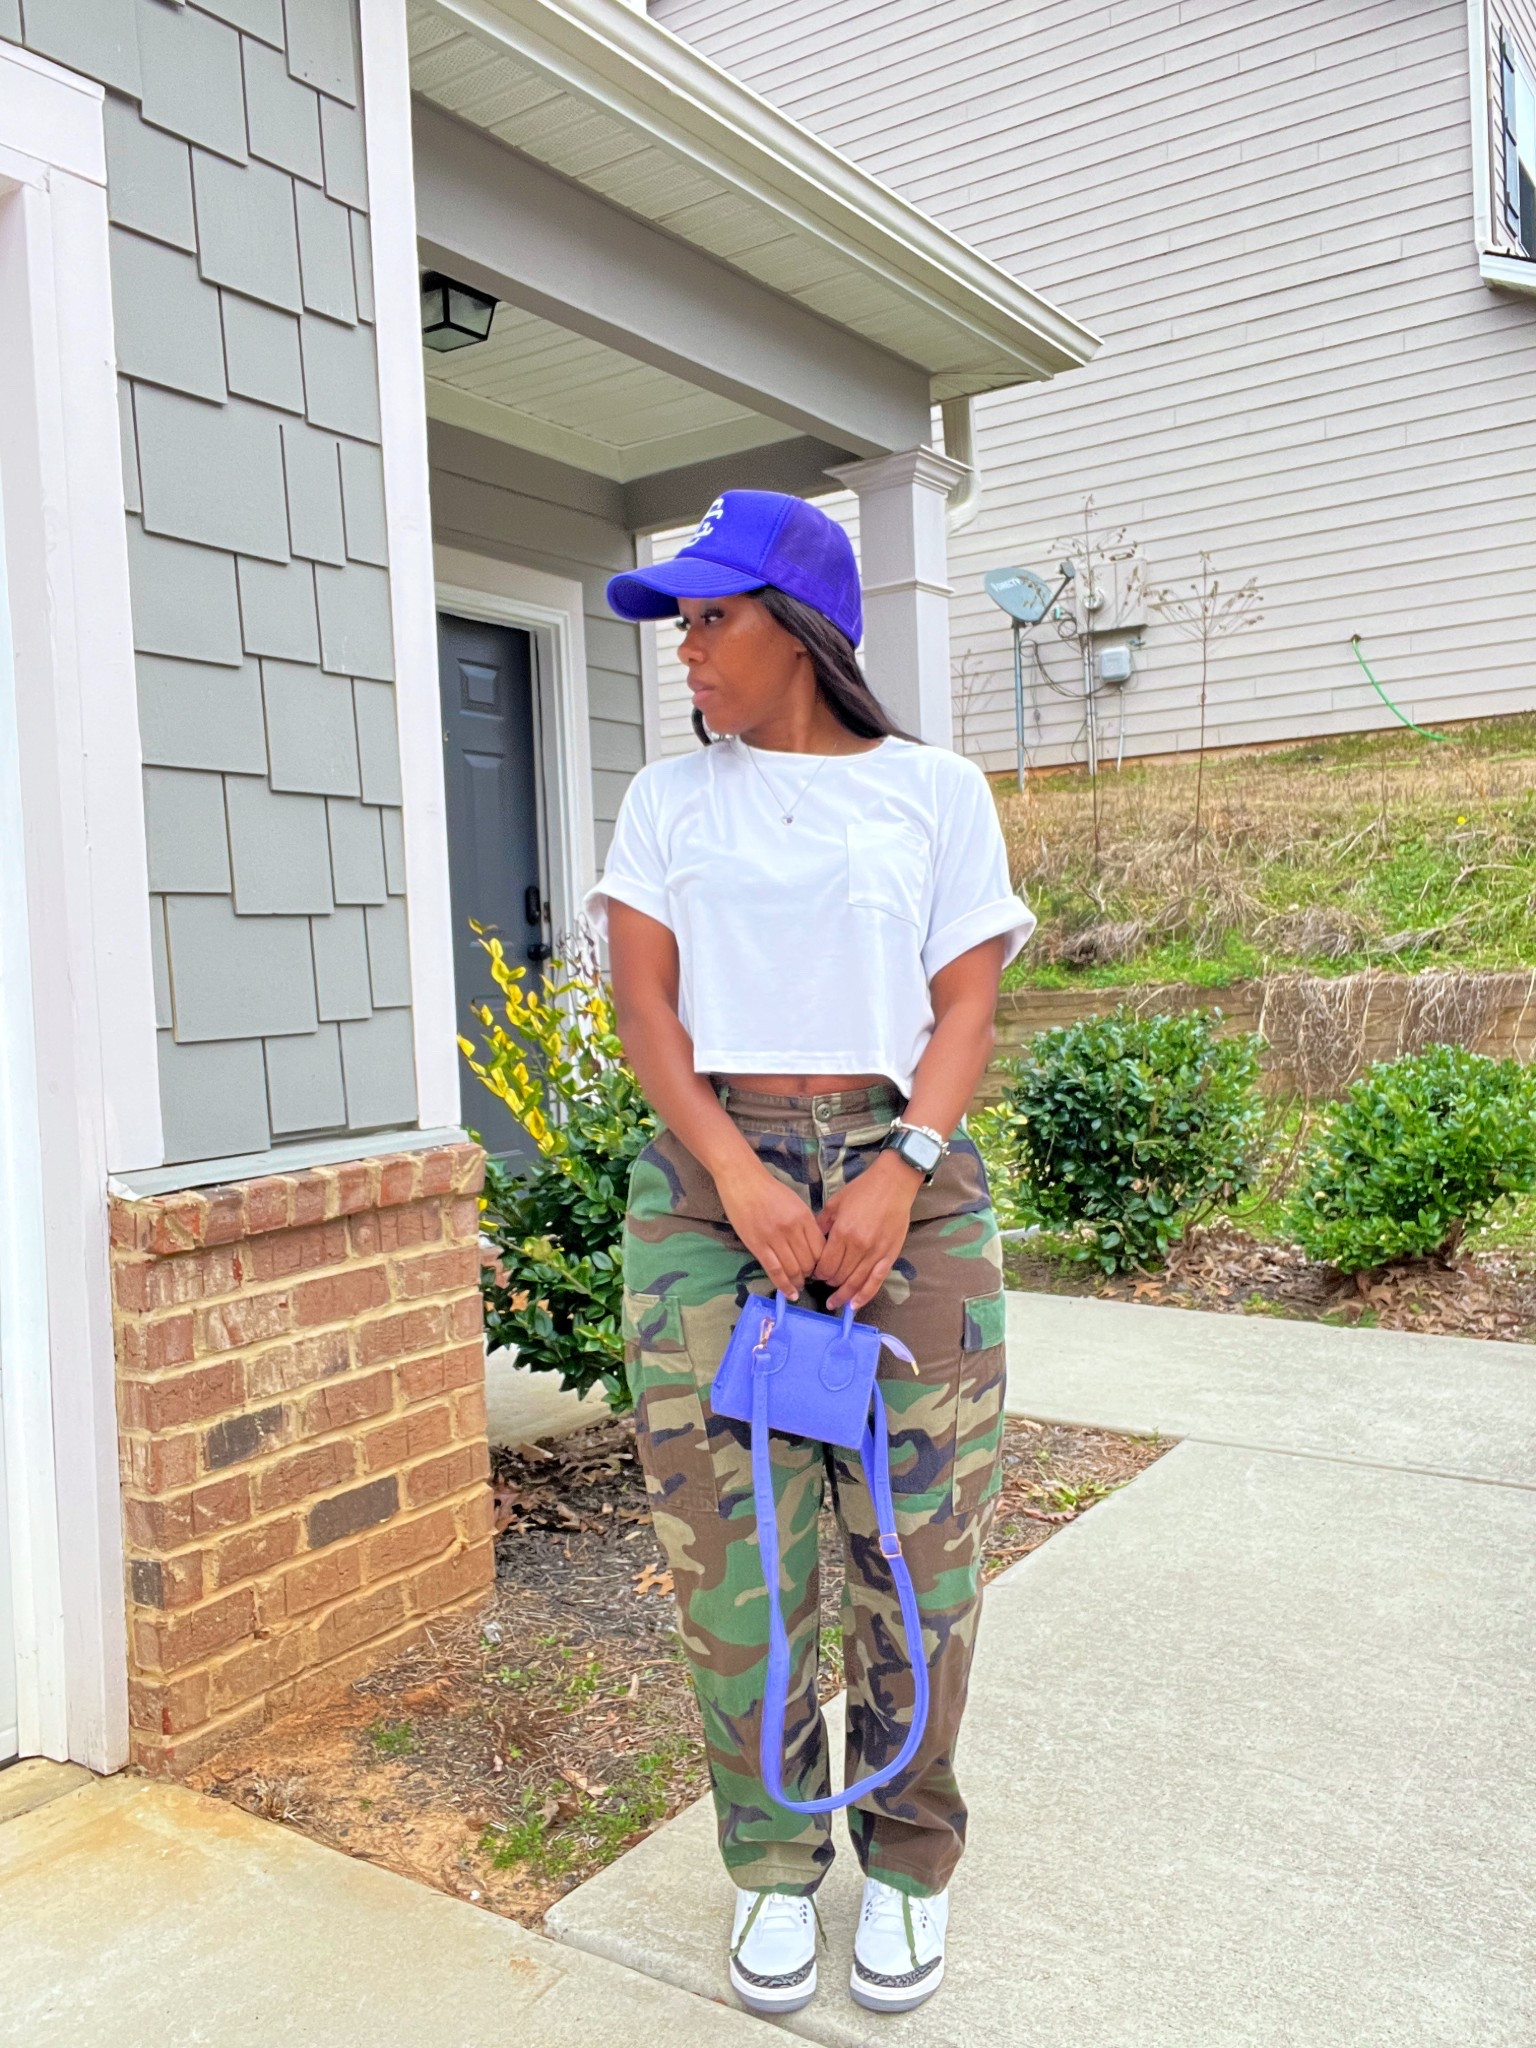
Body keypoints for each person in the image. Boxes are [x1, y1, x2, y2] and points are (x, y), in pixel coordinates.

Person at [582, 490, 1035, 2017]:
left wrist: (904, 1166)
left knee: (919, 1556)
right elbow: (648, 1013)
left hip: (909, 1186)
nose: (688, 649)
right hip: (710, 1194)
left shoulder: (934, 792)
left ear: (802, 632)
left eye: (712, 619)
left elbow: (965, 1008)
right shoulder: (668, 803)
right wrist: (737, 1175)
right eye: (684, 624)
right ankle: (773, 1862)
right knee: (735, 1566)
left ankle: (909, 1858)